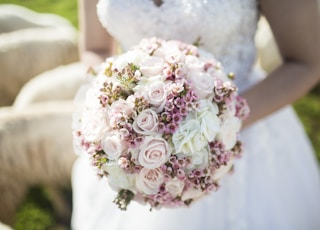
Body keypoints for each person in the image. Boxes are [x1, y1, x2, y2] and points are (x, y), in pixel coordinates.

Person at [71, 0, 320, 229]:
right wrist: (116, 109)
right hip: (129, 144)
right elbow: (95, 48)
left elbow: (307, 62)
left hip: (246, 129)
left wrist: (221, 122)